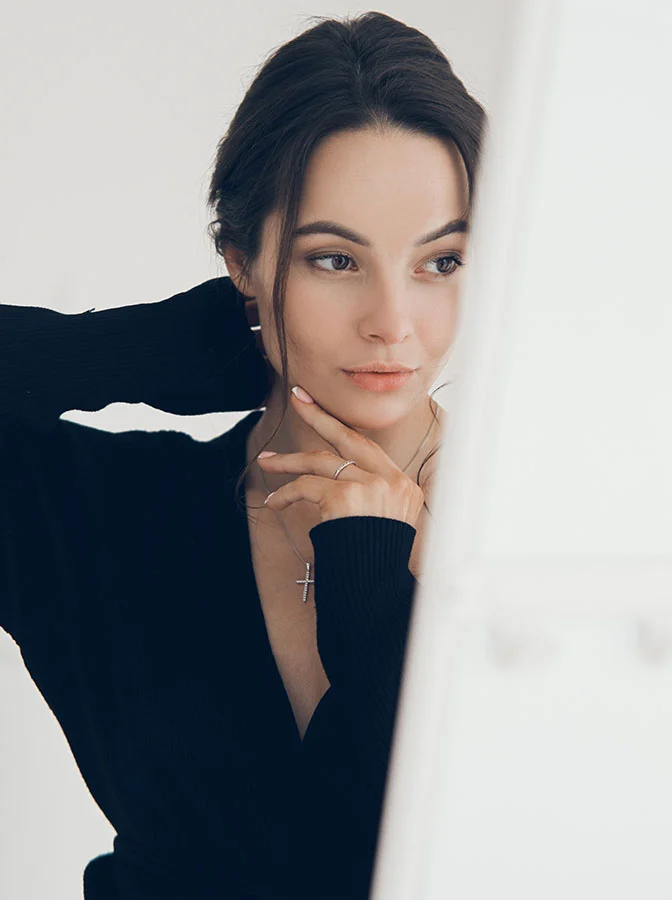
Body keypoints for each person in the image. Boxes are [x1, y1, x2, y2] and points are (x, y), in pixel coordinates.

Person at [0, 11, 486, 900]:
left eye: (441, 262)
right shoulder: (111, 520)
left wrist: (376, 600)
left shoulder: (542, 546)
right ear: (244, 265)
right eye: (334, 260)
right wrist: (134, 353)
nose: (393, 322)